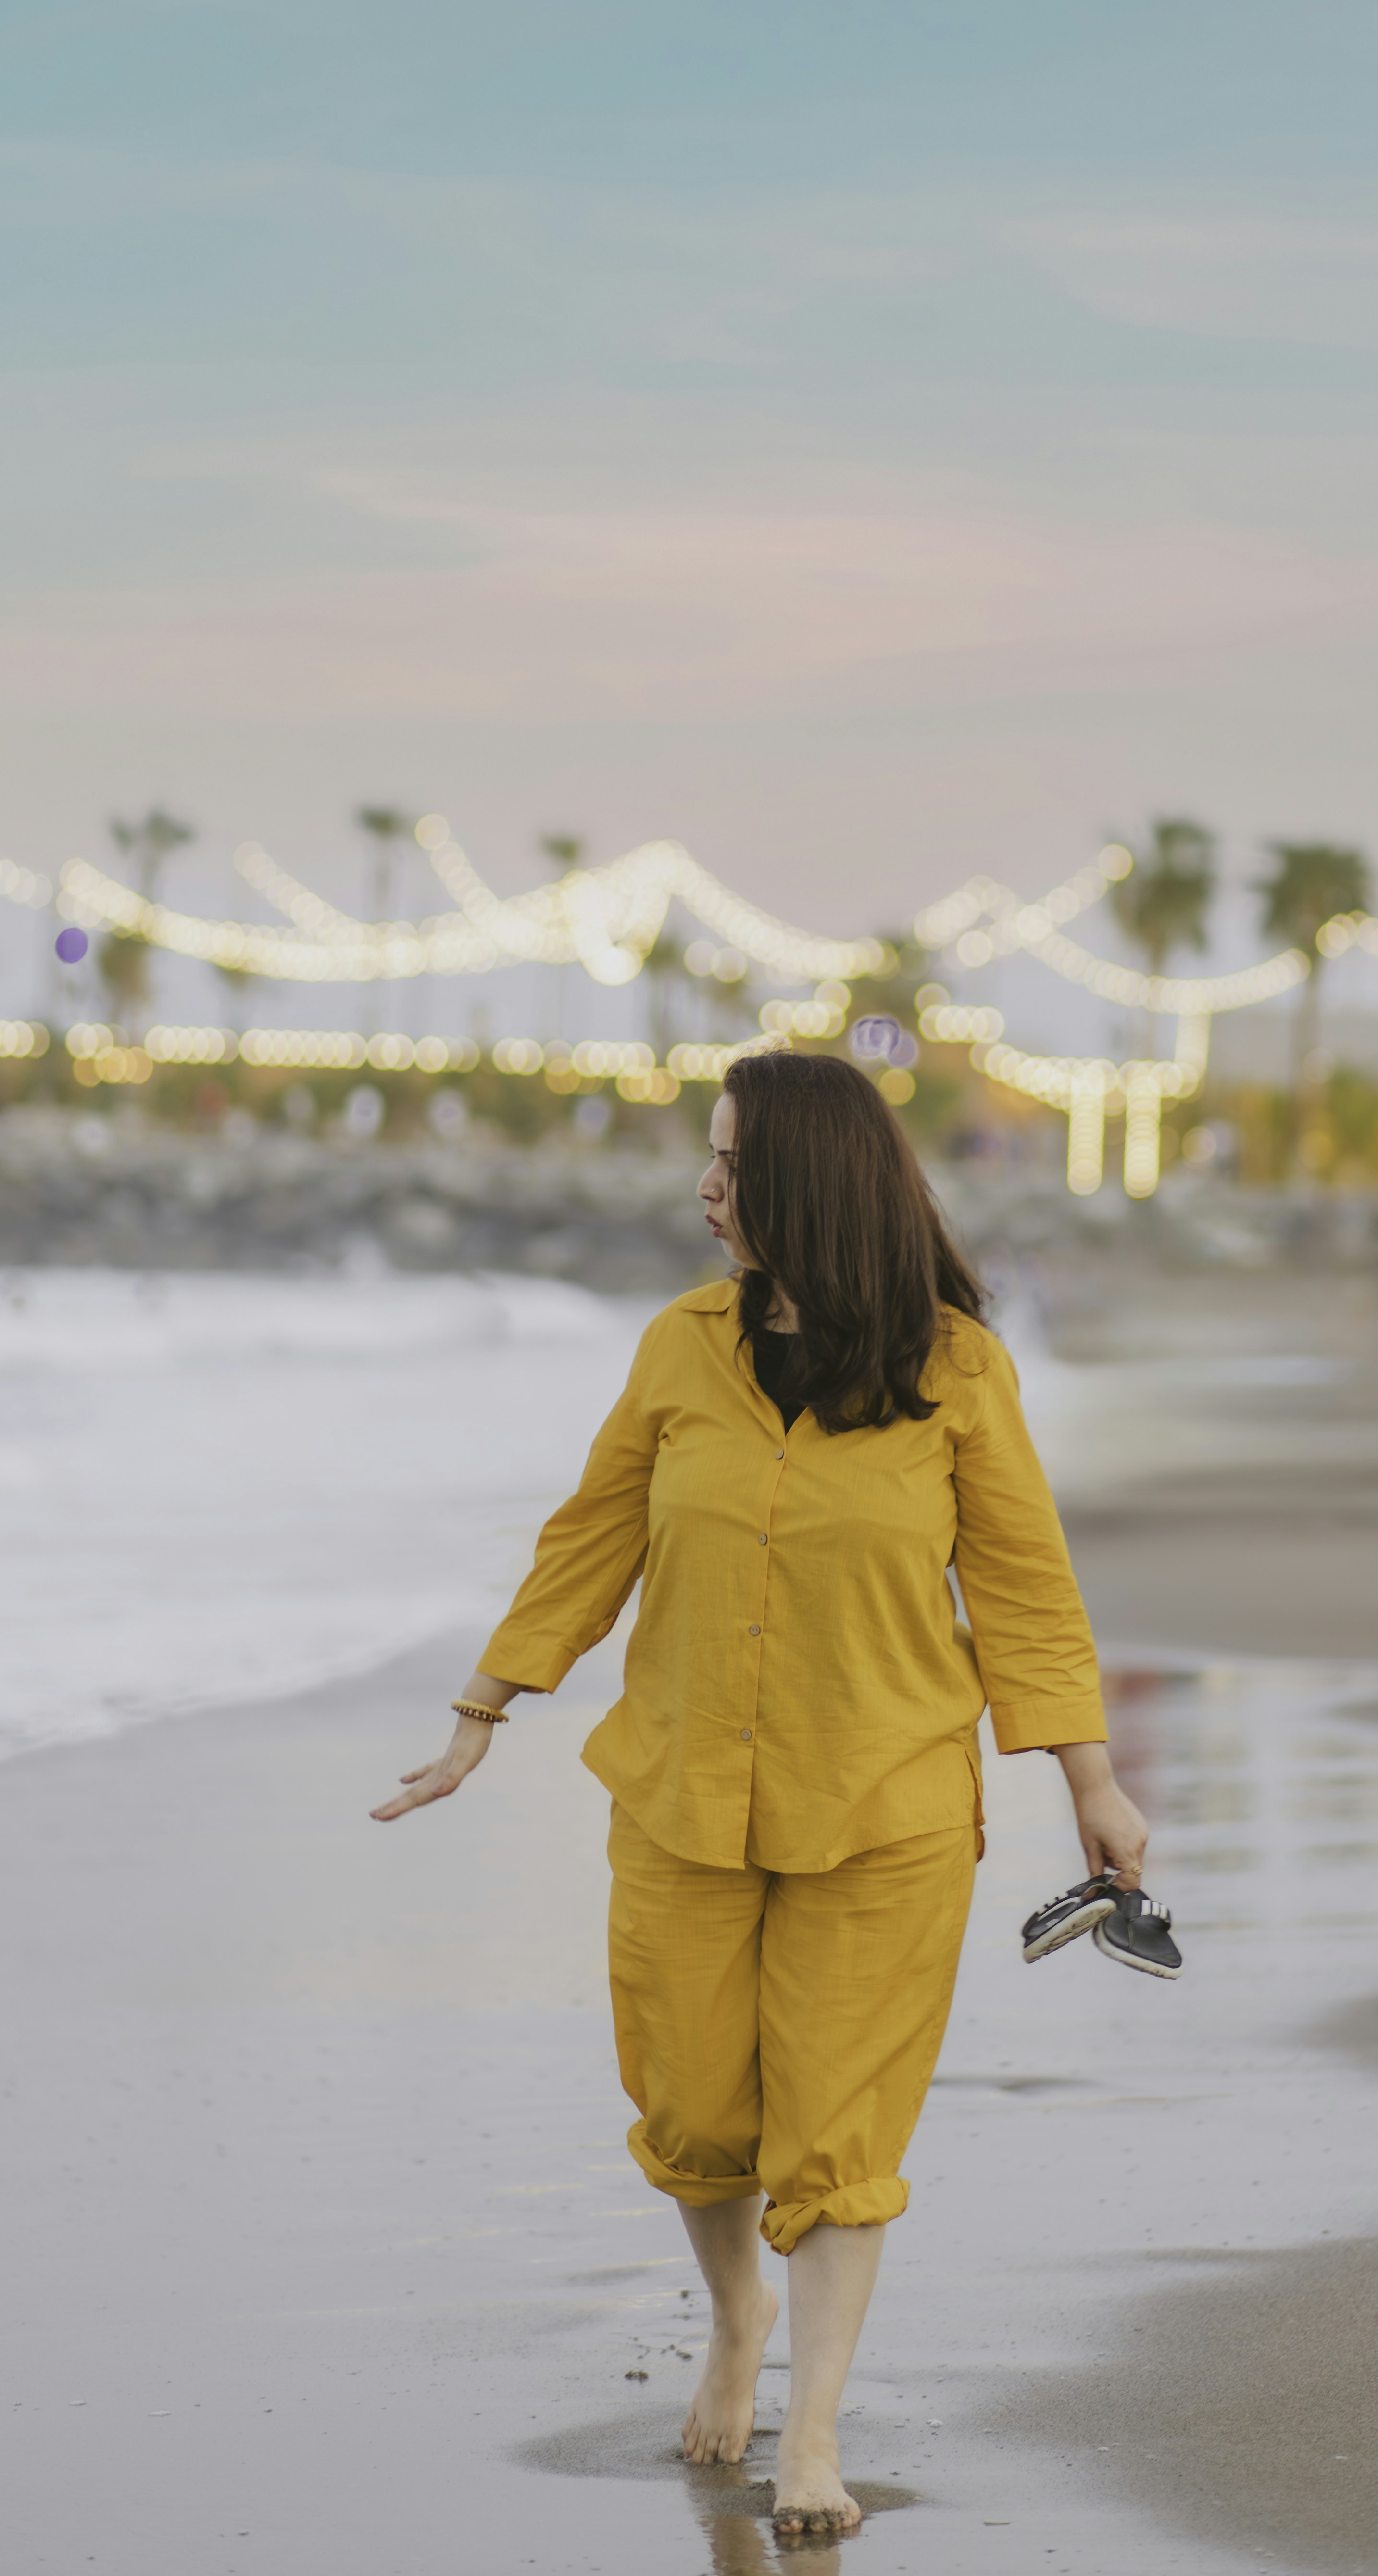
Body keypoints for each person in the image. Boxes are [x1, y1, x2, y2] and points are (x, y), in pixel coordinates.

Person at [372, 1052, 1147, 2537]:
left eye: (728, 1166)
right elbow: (592, 1536)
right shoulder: (680, 1348)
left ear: (805, 1183)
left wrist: (1089, 1786)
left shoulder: (958, 1371)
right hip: (680, 1794)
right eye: (709, 1162)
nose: (705, 1192)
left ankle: (814, 2440)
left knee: (838, 2134)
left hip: (889, 1806)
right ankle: (740, 2321)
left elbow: (1028, 1595)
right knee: (692, 2104)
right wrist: (485, 1712)